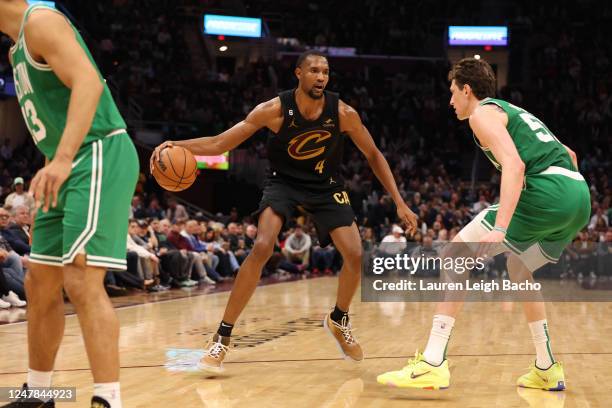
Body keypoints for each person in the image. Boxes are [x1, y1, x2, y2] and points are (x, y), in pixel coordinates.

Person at [152, 50, 417, 373]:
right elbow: (221, 143)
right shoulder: (274, 110)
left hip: (325, 185)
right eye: (315, 71)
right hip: (284, 184)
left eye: (326, 72)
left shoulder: (344, 113)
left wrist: (399, 202)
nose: (321, 77)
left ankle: (338, 319)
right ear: (298, 74)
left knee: (356, 254)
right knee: (263, 246)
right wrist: (175, 143)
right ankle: (221, 337)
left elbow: (374, 155)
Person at [377, 57, 590, 391]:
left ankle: (432, 362)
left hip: (549, 192)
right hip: (579, 197)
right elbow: (572, 156)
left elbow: (515, 166)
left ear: (466, 89)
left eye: (452, 92)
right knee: (519, 269)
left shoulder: (481, 113)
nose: (450, 101)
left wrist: (501, 227)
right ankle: (547, 366)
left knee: (452, 256)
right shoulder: (514, 112)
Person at [0, 2, 139, 407]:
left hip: (97, 152)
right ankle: (40, 393)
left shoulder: (41, 21)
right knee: (39, 283)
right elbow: (55, 118)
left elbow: (90, 83)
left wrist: (62, 160)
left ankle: (107, 398)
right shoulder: (15, 50)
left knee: (80, 279)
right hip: (61, 164)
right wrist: (52, 165)